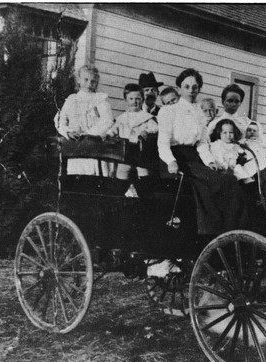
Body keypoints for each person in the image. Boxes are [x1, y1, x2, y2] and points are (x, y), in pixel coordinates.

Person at [157, 68, 250, 236]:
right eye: (187, 86)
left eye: (195, 87)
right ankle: (211, 232)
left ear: (198, 88)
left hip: (194, 158)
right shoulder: (169, 111)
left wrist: (210, 162)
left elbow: (201, 144)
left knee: (227, 180)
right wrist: (170, 160)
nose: (191, 91)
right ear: (179, 88)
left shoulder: (198, 113)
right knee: (219, 184)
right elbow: (162, 142)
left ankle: (231, 231)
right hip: (177, 159)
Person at [55, 65, 114, 176]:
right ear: (79, 80)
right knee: (76, 176)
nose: (89, 84)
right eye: (86, 80)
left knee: (94, 175)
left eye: (93, 81)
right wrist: (68, 132)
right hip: (76, 146)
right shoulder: (72, 99)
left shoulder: (100, 99)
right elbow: (60, 120)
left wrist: (88, 134)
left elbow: (107, 121)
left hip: (94, 145)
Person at [107, 83, 158, 196]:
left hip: (140, 153)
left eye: (137, 99)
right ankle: (118, 198)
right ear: (126, 99)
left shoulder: (146, 117)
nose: (134, 101)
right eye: (131, 98)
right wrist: (109, 134)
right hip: (125, 153)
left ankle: (145, 199)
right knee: (121, 173)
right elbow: (114, 129)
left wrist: (147, 132)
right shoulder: (121, 118)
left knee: (143, 174)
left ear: (142, 99)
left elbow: (155, 128)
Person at [209, 118, 255, 184]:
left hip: (233, 170)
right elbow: (217, 158)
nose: (228, 135)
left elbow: (242, 153)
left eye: (231, 132)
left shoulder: (235, 145)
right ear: (219, 133)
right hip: (222, 170)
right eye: (225, 133)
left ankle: (249, 184)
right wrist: (226, 166)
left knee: (242, 170)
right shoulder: (217, 145)